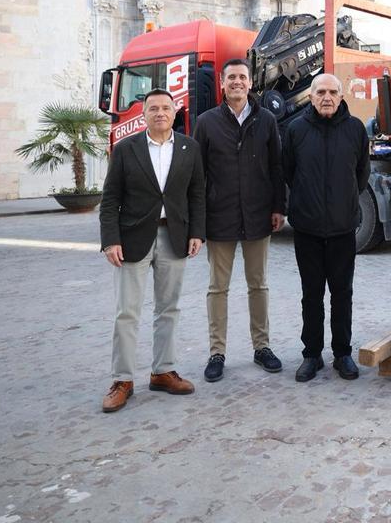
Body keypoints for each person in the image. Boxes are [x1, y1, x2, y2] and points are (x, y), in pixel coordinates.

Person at [98, 89, 205, 413]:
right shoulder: (126, 149)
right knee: (127, 312)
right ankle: (122, 380)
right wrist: (110, 240)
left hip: (174, 237)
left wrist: (197, 233)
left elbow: (197, 194)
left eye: (165, 108)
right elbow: (110, 199)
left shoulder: (189, 147)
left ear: (175, 113)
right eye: (153, 108)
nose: (160, 113)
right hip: (132, 239)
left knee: (168, 308)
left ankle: (163, 371)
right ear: (143, 115)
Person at [193, 59, 286, 382]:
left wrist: (278, 207)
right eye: (231, 77)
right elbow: (197, 175)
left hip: (258, 215)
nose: (237, 82)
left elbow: (276, 167)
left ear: (250, 83)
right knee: (217, 288)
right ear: (222, 83)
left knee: (258, 284)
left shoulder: (266, 120)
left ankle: (262, 347)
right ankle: (216, 352)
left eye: (242, 77)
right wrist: (198, 221)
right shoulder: (206, 122)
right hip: (220, 216)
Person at [281, 73, 370, 382]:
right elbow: (289, 172)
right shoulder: (296, 130)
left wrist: (343, 203)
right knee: (311, 294)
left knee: (342, 293)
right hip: (307, 229)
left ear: (341, 96)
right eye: (320, 92)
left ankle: (342, 353)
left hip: (343, 229)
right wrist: (308, 202)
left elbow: (361, 174)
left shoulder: (355, 129)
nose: (327, 97)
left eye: (333, 92)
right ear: (311, 96)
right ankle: (312, 354)